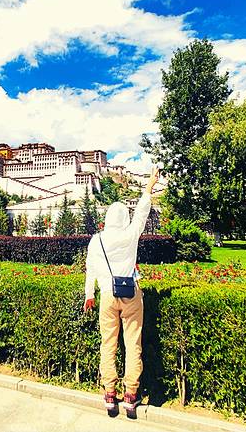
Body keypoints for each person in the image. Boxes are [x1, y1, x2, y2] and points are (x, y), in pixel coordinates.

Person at [83, 166, 160, 418]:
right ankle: (130, 395)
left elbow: (90, 269)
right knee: (133, 343)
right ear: (124, 218)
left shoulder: (96, 240)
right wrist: (149, 185)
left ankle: (109, 394)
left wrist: (89, 295)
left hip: (107, 295)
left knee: (108, 344)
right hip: (131, 294)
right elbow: (142, 211)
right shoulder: (130, 234)